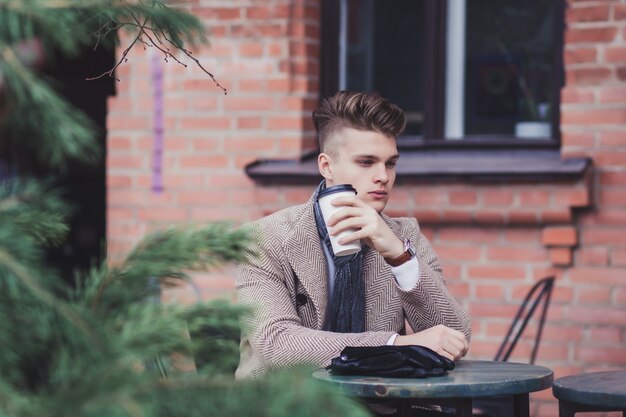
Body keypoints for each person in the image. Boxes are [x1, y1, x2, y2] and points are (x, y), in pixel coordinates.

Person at [235, 90, 471, 380]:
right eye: (366, 162)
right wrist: (395, 345)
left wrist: (400, 258)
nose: (383, 176)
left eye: (390, 163)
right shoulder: (263, 239)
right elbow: (277, 343)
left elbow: (455, 338)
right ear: (327, 166)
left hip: (383, 403)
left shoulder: (404, 236)